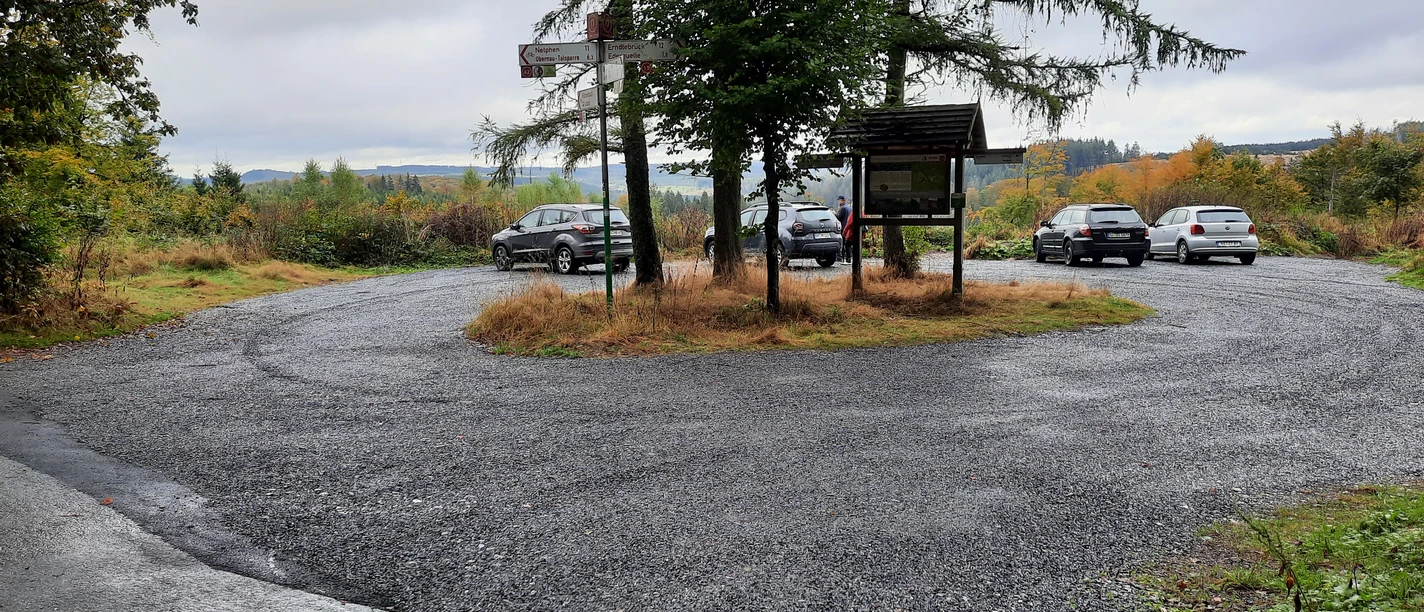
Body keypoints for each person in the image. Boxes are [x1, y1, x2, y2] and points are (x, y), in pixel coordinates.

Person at [835, 196, 853, 263]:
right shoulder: (849, 207)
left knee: (843, 242)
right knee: (848, 243)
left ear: (842, 200)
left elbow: (839, 217)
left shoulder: (843, 208)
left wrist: (834, 214)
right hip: (850, 227)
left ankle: (840, 257)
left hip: (844, 226)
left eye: (839, 200)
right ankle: (848, 257)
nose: (839, 202)